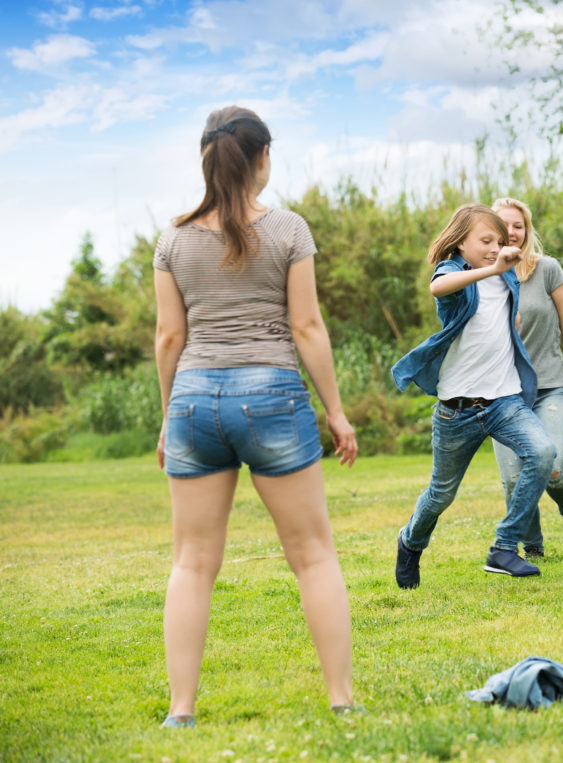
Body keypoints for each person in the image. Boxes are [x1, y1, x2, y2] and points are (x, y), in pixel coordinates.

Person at [154, 106, 359, 727]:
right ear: (263, 157)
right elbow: (306, 327)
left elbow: (169, 337)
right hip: (272, 395)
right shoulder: (290, 230)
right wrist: (337, 412)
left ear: (207, 159)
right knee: (314, 555)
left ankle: (181, 711)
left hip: (193, 397)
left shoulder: (172, 238)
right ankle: (342, 702)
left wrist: (169, 417)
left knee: (191, 562)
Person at [391, 204, 557, 587]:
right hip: (457, 411)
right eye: (485, 240)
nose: (493, 246)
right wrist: (492, 268)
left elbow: (508, 316)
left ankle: (504, 547)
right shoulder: (456, 274)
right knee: (440, 495)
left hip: (504, 401)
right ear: (460, 241)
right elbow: (438, 286)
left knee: (543, 453)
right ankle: (411, 541)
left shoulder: (507, 276)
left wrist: (505, 271)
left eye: (499, 241)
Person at [489, 197, 563, 559]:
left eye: (518, 225)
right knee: (512, 478)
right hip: (502, 393)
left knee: (552, 466)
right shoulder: (482, 276)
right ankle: (533, 547)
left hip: (550, 385)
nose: (511, 231)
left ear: (527, 230)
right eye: (503, 225)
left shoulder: (548, 269)